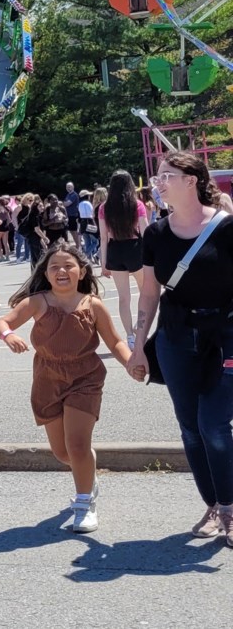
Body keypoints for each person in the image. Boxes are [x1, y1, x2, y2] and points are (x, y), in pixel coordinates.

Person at [0, 243, 136, 533]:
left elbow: (115, 342)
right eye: (54, 266)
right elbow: (1, 322)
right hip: (47, 378)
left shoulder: (92, 305)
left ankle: (84, 504)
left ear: (82, 271)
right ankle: (88, 474)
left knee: (78, 445)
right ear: (45, 273)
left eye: (68, 265)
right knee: (63, 453)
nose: (61, 271)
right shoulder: (37, 302)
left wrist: (132, 363)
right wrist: (8, 335)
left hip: (86, 377)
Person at [128, 151, 233, 545]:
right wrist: (137, 348)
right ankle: (214, 504)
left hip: (224, 334)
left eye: (167, 176)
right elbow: (149, 295)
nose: (159, 182)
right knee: (190, 428)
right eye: (159, 176)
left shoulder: (227, 228)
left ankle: (229, 507)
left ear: (192, 180)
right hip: (175, 337)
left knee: (214, 426)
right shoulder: (155, 234)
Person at [98, 170, 148, 348]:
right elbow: (145, 231)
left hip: (115, 250)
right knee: (145, 292)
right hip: (134, 249)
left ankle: (129, 335)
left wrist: (104, 263)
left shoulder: (105, 207)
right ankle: (140, 328)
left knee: (123, 297)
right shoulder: (136, 204)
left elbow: (103, 237)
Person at [78, 189, 99, 264]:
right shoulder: (88, 203)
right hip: (90, 222)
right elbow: (91, 213)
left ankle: (89, 260)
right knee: (95, 242)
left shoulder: (79, 204)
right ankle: (87, 254)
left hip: (82, 223)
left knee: (87, 242)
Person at [0, 197, 12, 261]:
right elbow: (9, 219)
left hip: (0, 226)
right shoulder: (7, 208)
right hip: (6, 226)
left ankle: (1, 256)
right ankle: (7, 257)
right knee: (5, 243)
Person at [64, 182, 81, 249]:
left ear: (73, 187)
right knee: (71, 230)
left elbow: (67, 204)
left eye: (70, 187)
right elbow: (65, 203)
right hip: (69, 215)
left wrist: (65, 203)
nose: (68, 188)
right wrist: (65, 203)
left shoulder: (74, 195)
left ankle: (78, 246)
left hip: (73, 215)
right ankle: (76, 244)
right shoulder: (68, 195)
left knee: (74, 231)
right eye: (67, 187)